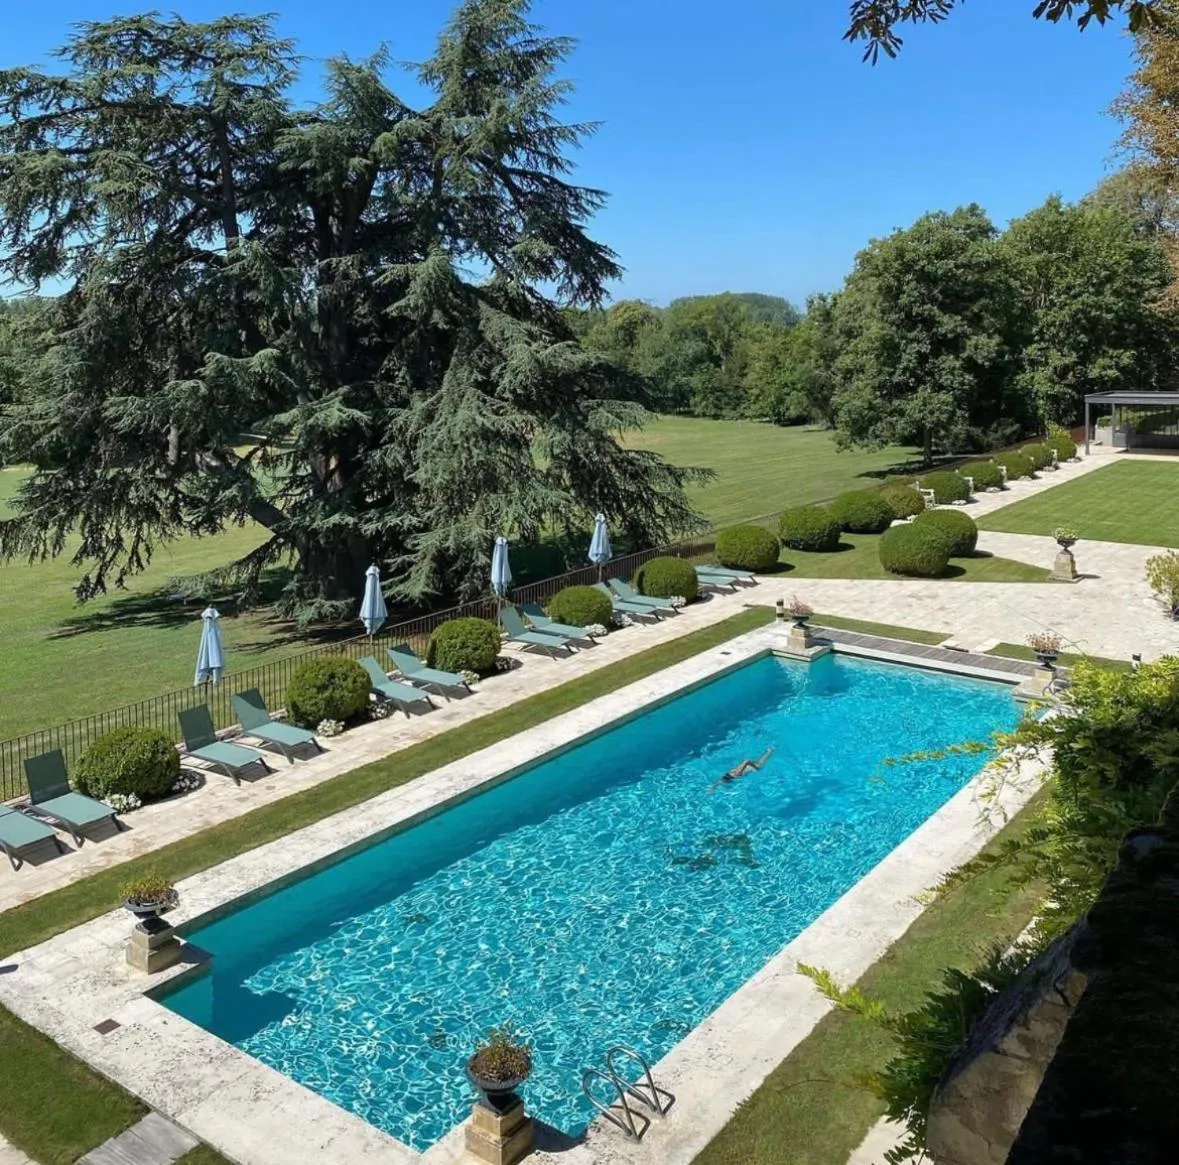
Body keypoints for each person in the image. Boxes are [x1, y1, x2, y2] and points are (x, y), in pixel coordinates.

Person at [709, 747, 774, 791]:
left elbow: (746, 761)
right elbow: (720, 781)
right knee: (765, 755)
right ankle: (769, 749)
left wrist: (756, 768)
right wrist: (713, 787)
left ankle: (770, 750)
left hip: (754, 766)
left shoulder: (736, 774)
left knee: (768, 754)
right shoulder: (729, 775)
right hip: (750, 767)